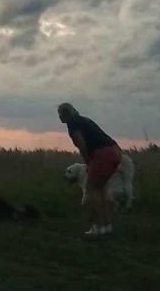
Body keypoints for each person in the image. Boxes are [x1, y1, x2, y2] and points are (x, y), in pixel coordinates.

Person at [57, 102, 121, 238]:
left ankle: (97, 228)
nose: (59, 118)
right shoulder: (84, 120)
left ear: (65, 114)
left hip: (102, 154)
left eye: (60, 114)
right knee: (101, 190)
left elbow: (82, 144)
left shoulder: (72, 123)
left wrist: (88, 162)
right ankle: (107, 226)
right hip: (115, 151)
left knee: (90, 192)